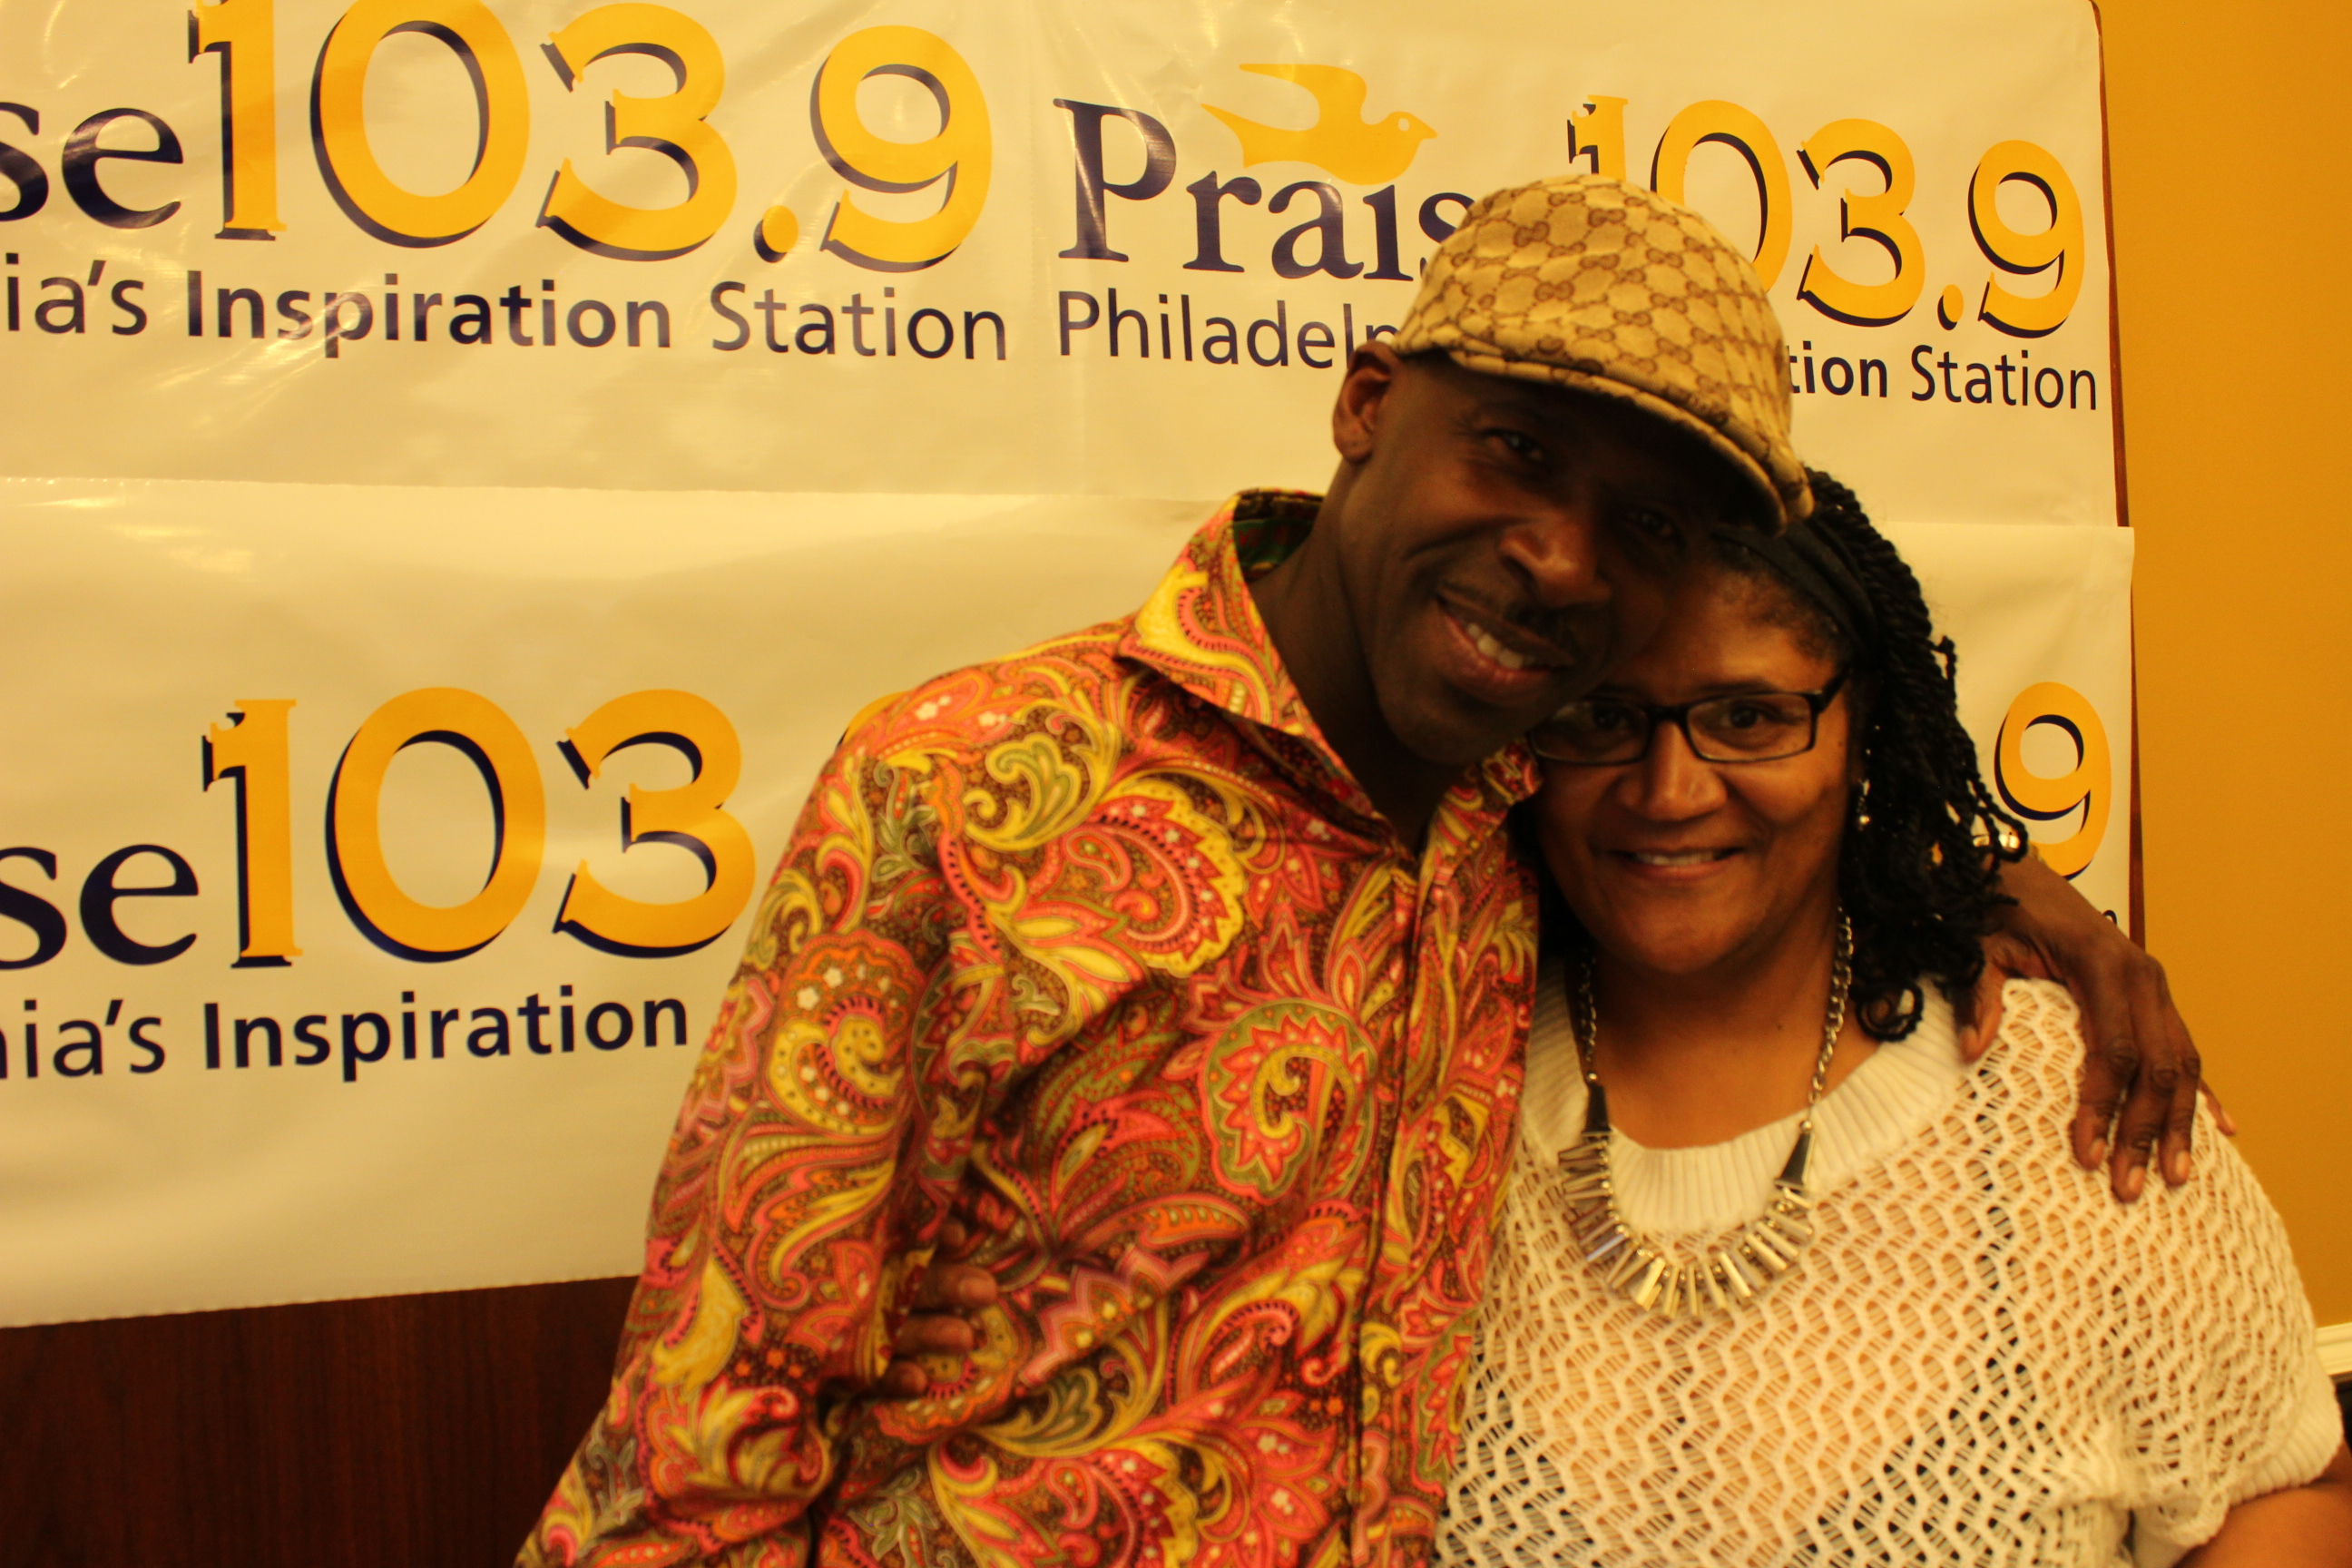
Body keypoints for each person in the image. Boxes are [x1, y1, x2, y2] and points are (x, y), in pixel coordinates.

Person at [518, 176, 2203, 1568]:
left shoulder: (1524, 816)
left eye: (1646, 526)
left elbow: (1746, 842)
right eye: (1518, 451)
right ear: (1369, 403)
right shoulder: (967, 786)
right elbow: (700, 1452)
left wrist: (1993, 891)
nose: (1561, 558)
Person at [1434, 473, 2351, 1564]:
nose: (1670, 790)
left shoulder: (2069, 1111)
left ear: (1862, 728)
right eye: (1600, 717)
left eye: (1750, 717)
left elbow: (2280, 1487)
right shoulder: (1426, 1079)